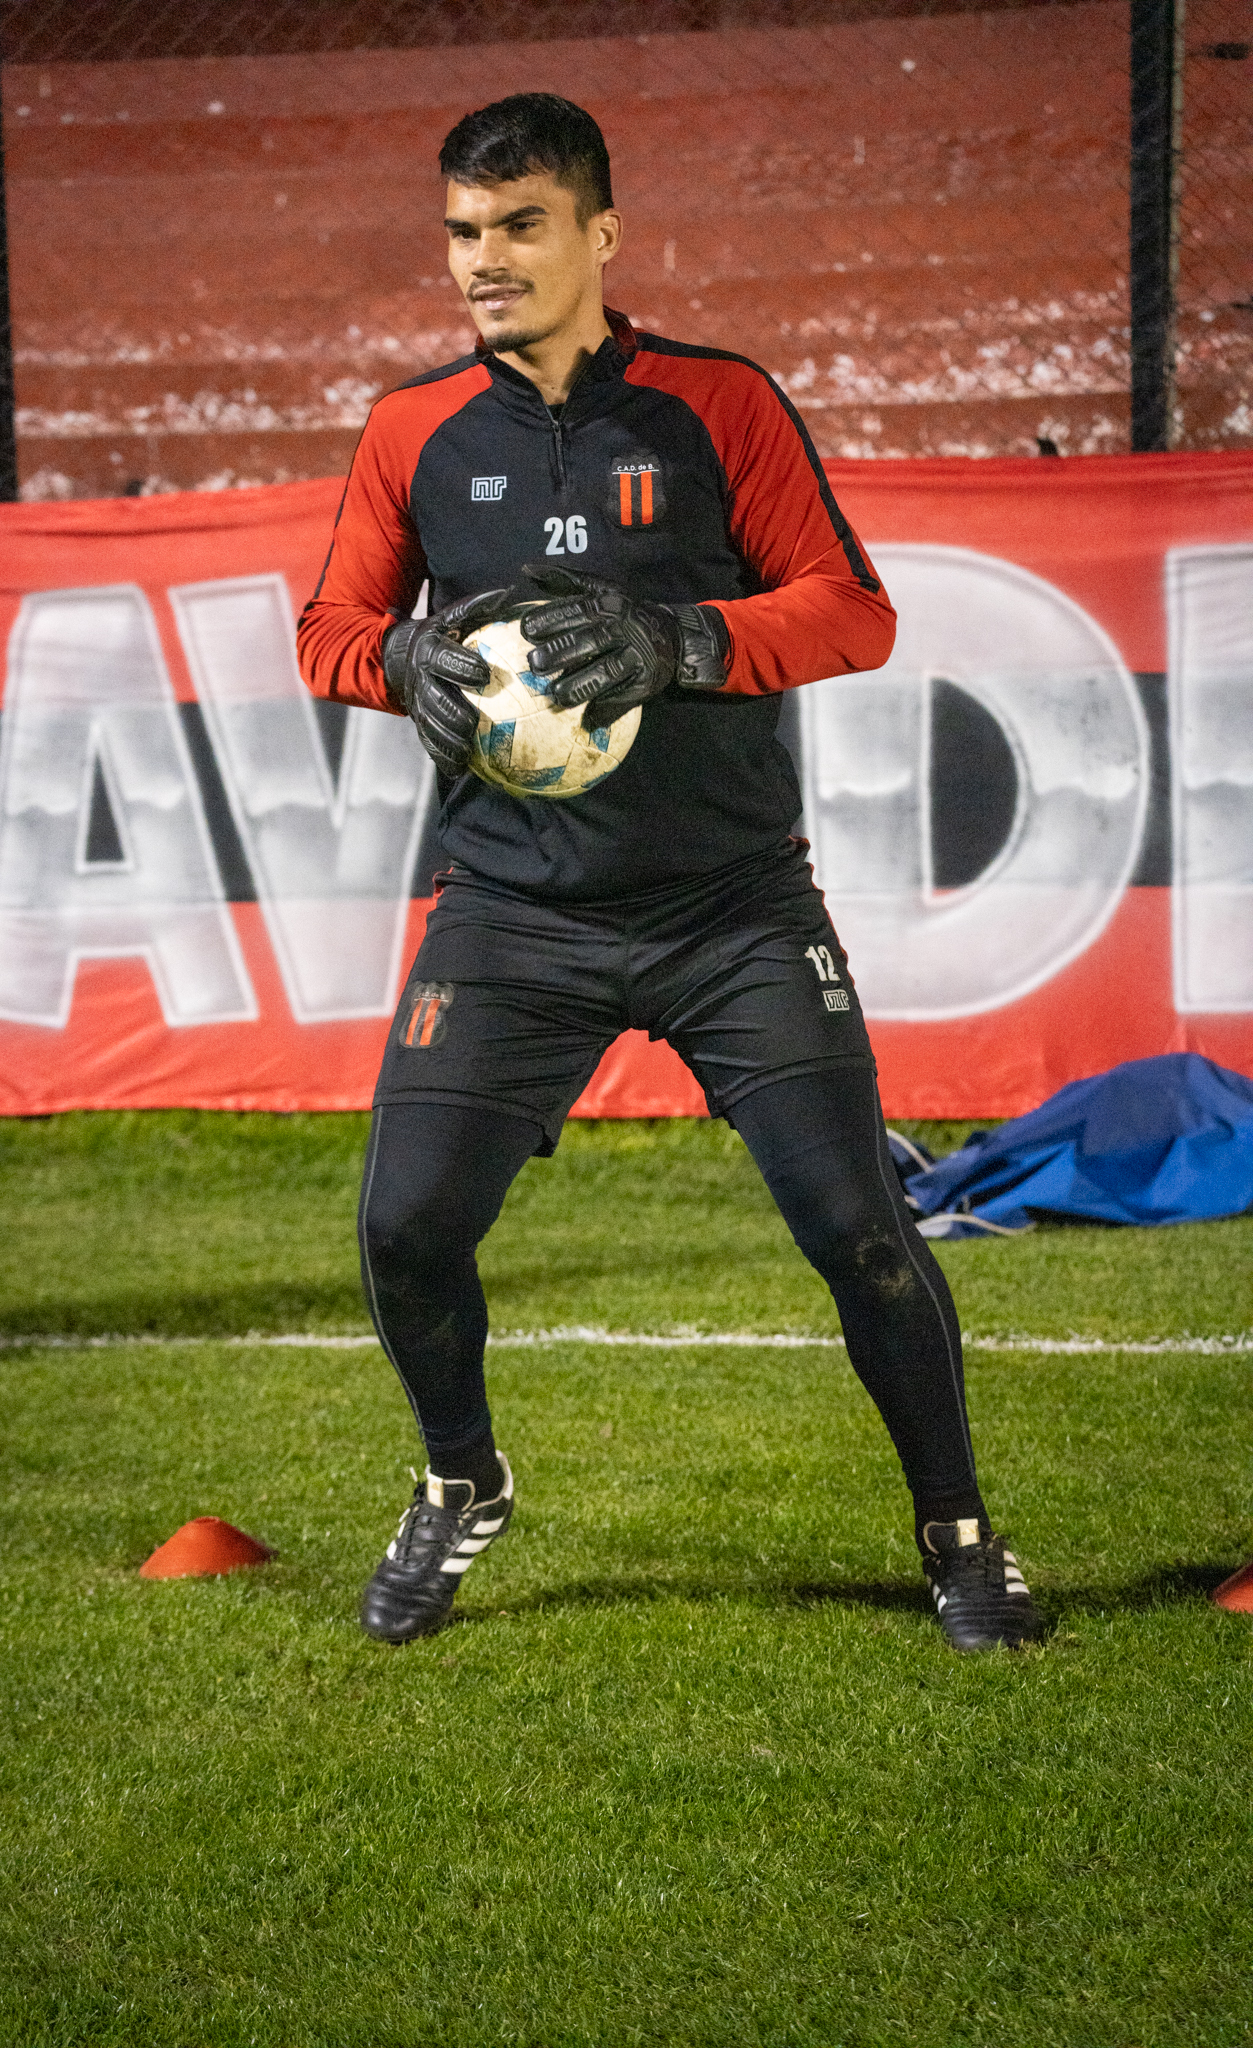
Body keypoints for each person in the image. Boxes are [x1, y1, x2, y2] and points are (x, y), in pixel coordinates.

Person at [296, 93, 1040, 1654]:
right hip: (510, 913)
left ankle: (960, 1536)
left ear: (601, 235)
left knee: (856, 1230)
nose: (484, 259)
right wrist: (404, 659)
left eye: (520, 226)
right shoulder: (411, 431)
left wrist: (678, 639)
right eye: (462, 231)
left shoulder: (718, 405)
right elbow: (330, 632)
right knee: (405, 1227)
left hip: (730, 911)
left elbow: (851, 610)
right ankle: (460, 1481)